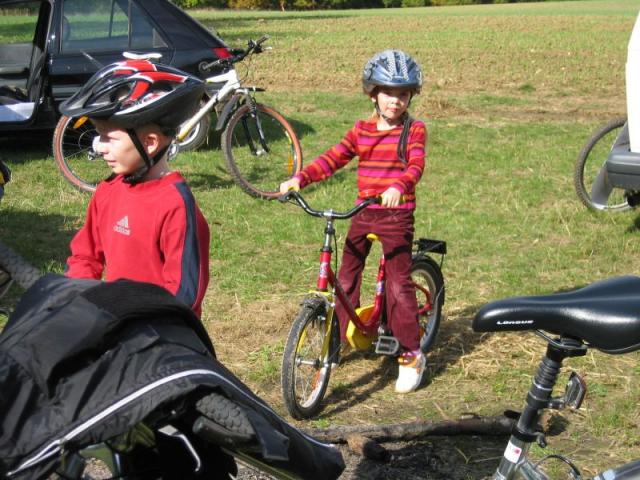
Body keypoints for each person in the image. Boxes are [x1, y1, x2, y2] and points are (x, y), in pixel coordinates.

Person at [280, 50, 427, 393]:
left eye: (403, 94)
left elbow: (416, 165)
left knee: (398, 284)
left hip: (396, 215)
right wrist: (301, 178)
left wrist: (399, 186)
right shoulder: (361, 130)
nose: (395, 101)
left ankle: (411, 354)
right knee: (346, 277)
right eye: (388, 92)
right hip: (364, 212)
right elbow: (334, 157)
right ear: (373, 94)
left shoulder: (413, 130)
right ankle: (338, 339)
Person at [61, 60, 210, 317]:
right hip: (116, 325)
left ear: (150, 143)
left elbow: (184, 293)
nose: (99, 146)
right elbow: (85, 256)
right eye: (99, 135)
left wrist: (131, 319)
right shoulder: (108, 190)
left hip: (160, 332)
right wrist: (81, 297)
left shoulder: (175, 204)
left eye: (109, 138)